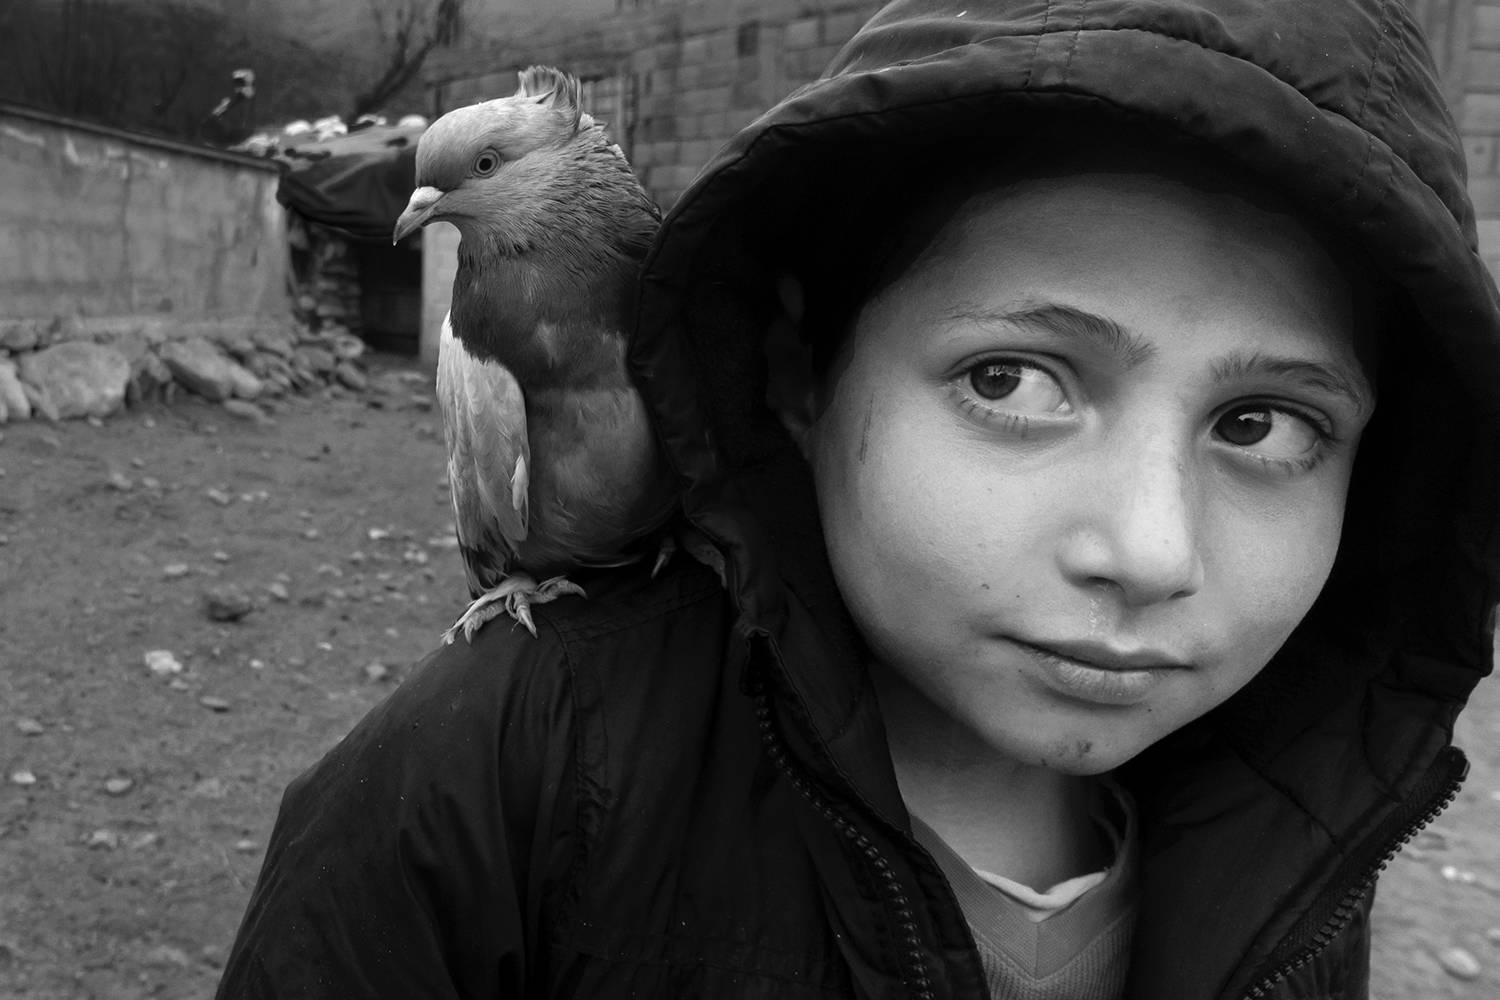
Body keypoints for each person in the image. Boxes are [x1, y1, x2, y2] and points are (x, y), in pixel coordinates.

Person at [215, 1, 1500, 997]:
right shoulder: (466, 794)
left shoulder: (1310, 830)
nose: (1150, 553)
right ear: (796, 374)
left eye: (1263, 423)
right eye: (1010, 377)